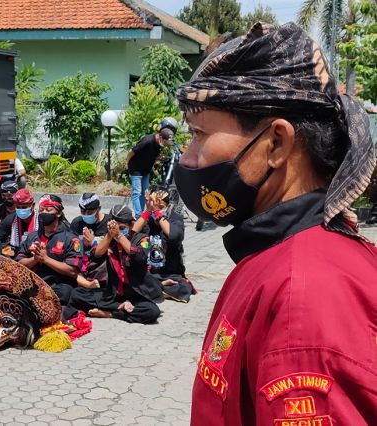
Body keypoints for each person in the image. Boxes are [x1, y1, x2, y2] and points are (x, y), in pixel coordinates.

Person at [174, 23, 377, 424]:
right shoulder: (280, 258)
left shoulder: (303, 295)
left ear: (277, 144)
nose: (187, 159)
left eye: (199, 134)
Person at [68, 205, 161, 324]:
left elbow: (139, 257)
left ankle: (109, 313)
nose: (117, 231)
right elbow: (95, 254)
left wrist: (119, 236)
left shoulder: (142, 239)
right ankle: (121, 307)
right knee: (76, 295)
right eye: (113, 228)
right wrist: (109, 235)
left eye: (121, 228)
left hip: (136, 292)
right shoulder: (109, 239)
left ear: (131, 225)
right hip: (114, 293)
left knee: (152, 312)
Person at [15, 194, 81, 306]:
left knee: (65, 294)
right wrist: (35, 259)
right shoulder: (32, 237)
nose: (44, 212)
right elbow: (19, 264)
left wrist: (46, 259)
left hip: (59, 286)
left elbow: (72, 271)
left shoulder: (71, 239)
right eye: (41, 210)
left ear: (59, 213)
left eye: (48, 210)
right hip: (34, 284)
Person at [133, 187, 194, 303]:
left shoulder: (175, 218)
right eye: (153, 207)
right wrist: (148, 211)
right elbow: (132, 233)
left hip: (169, 273)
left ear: (167, 206)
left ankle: (156, 288)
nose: (156, 210)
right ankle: (159, 287)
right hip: (149, 272)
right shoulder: (146, 219)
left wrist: (157, 213)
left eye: (160, 207)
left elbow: (174, 236)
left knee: (183, 287)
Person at [126, 119, 177, 217]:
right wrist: (127, 163)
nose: (166, 145)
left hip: (146, 170)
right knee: (137, 192)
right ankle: (138, 215)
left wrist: (159, 158)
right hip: (136, 169)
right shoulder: (147, 140)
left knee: (145, 192)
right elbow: (132, 151)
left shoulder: (158, 144)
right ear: (160, 137)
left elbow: (151, 155)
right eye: (166, 142)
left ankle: (141, 214)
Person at [70, 193, 110, 289]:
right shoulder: (77, 223)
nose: (86, 215)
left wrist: (94, 242)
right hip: (82, 262)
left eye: (90, 212)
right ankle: (87, 284)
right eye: (83, 211)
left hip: (102, 263)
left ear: (99, 209)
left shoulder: (108, 222)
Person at [0, 188, 38, 257]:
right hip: (16, 257)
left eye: (24, 207)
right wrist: (6, 247)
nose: (21, 210)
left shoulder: (41, 220)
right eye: (18, 207)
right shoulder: (10, 219)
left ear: (33, 205)